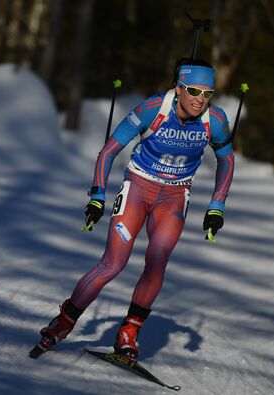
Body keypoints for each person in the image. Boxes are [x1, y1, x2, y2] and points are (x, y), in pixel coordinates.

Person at [36, 58, 235, 361]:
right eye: (193, 91)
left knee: (157, 261)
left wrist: (217, 206)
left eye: (207, 94)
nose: (200, 100)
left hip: (174, 195)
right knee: (114, 263)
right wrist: (97, 196)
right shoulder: (152, 109)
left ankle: (129, 331)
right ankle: (64, 321)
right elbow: (109, 151)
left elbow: (227, 160)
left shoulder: (215, 120)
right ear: (177, 88)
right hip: (138, 189)